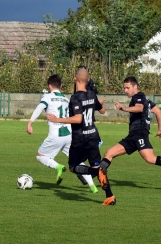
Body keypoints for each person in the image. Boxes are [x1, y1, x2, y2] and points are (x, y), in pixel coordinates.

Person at [98, 76, 161, 191]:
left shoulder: (139, 97)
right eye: (124, 88)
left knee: (150, 159)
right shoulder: (145, 99)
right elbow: (157, 111)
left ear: (135, 86)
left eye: (127, 88)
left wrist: (124, 109)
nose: (125, 90)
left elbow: (139, 108)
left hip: (139, 134)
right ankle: (102, 180)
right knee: (109, 153)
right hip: (133, 135)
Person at [46, 68, 116, 205]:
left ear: (74, 79)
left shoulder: (75, 98)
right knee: (97, 166)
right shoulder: (91, 94)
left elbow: (78, 119)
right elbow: (102, 110)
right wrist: (97, 102)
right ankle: (110, 196)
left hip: (80, 138)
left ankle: (95, 173)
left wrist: (56, 119)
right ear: (88, 80)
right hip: (93, 136)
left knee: (73, 167)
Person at [27, 74, 74, 186]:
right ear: (61, 86)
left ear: (49, 86)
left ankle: (58, 167)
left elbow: (39, 108)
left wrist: (30, 122)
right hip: (69, 134)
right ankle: (92, 183)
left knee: (40, 155)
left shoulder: (47, 97)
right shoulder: (65, 99)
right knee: (75, 159)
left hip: (56, 134)